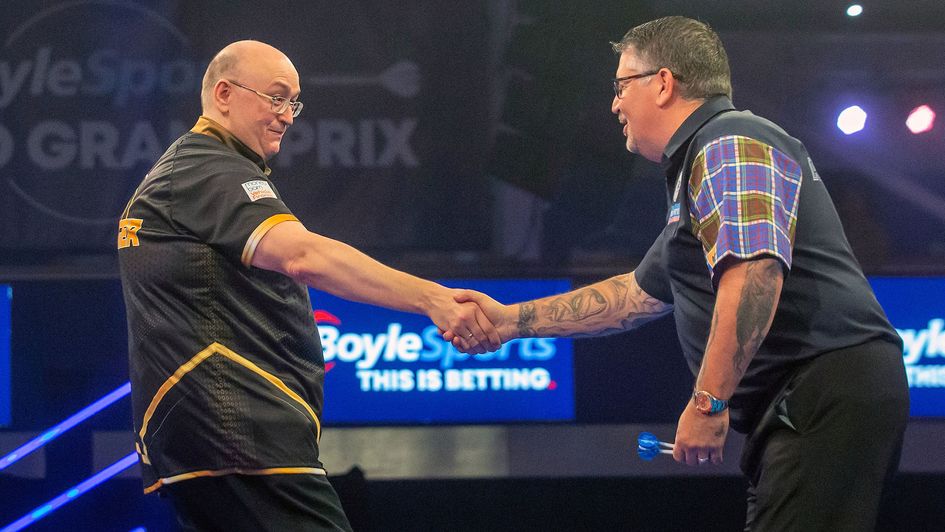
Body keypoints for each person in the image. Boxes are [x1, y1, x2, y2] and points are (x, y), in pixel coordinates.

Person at [448, 16, 909, 531]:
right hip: (807, 398)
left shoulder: (730, 139)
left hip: (824, 386)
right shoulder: (697, 169)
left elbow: (755, 272)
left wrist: (708, 402)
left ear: (663, 83)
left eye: (622, 85)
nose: (614, 104)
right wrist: (510, 321)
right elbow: (631, 297)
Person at [117, 40, 499, 531]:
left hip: (215, 436)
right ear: (225, 93)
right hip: (239, 433)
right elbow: (304, 255)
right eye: (276, 97)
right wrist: (435, 299)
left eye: (293, 102)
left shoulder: (190, 170)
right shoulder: (207, 168)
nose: (288, 115)